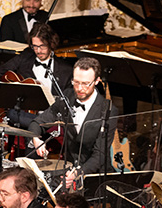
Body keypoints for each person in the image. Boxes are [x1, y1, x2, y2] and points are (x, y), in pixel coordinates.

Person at [28, 57, 118, 188]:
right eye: (76, 82)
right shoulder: (67, 97)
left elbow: (100, 154)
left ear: (97, 81)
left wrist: (77, 173)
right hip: (68, 167)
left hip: (93, 174)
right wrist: (36, 138)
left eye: (85, 83)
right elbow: (38, 122)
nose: (80, 88)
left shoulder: (108, 110)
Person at [0, 23, 73, 128]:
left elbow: (68, 102)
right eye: (35, 46)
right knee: (13, 114)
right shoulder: (25, 58)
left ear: (51, 44)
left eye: (42, 46)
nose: (38, 51)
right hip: (27, 114)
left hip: (51, 117)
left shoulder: (65, 70)